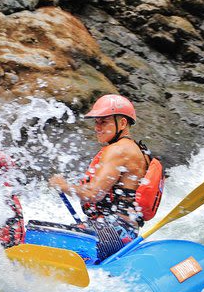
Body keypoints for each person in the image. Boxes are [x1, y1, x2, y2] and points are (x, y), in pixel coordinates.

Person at [49, 94, 164, 259]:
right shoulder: (138, 150)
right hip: (125, 233)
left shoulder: (118, 150)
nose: (97, 127)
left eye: (104, 121)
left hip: (112, 232)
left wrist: (63, 185)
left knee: (42, 238)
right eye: (96, 122)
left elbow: (93, 194)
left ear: (122, 123)